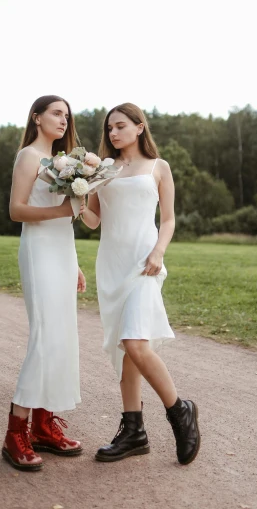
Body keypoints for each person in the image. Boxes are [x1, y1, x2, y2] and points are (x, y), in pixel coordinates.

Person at [82, 103, 200, 466]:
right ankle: (134, 432)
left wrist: (159, 252)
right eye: (109, 129)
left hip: (144, 264)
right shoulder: (104, 169)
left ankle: (180, 412)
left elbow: (168, 220)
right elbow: (92, 221)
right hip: (112, 266)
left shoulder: (159, 167)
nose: (113, 133)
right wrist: (74, 196)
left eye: (120, 126)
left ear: (139, 127)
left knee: (135, 341)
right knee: (125, 348)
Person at [2, 95, 86, 471]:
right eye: (56, 113)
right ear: (37, 118)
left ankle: (43, 426)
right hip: (37, 252)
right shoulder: (28, 157)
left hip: (62, 252)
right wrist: (61, 210)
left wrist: (76, 264)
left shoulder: (63, 163)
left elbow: (65, 221)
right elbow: (16, 210)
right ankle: (15, 433)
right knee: (44, 336)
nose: (63, 120)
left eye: (67, 115)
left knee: (62, 337)